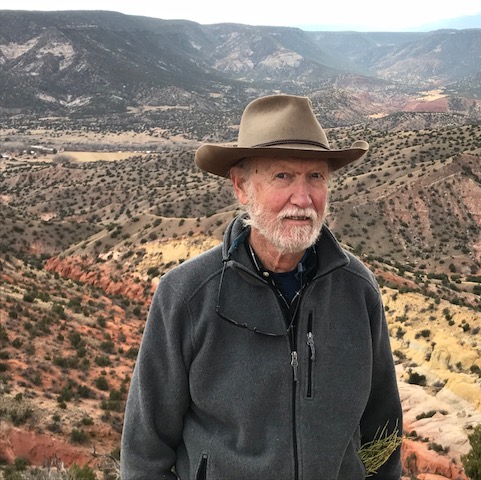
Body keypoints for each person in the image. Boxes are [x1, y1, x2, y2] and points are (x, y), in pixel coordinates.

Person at [120, 94, 403, 479]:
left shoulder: (358, 290)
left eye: (315, 177)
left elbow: (382, 435)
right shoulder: (186, 296)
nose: (302, 199)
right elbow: (144, 454)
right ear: (241, 186)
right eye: (282, 176)